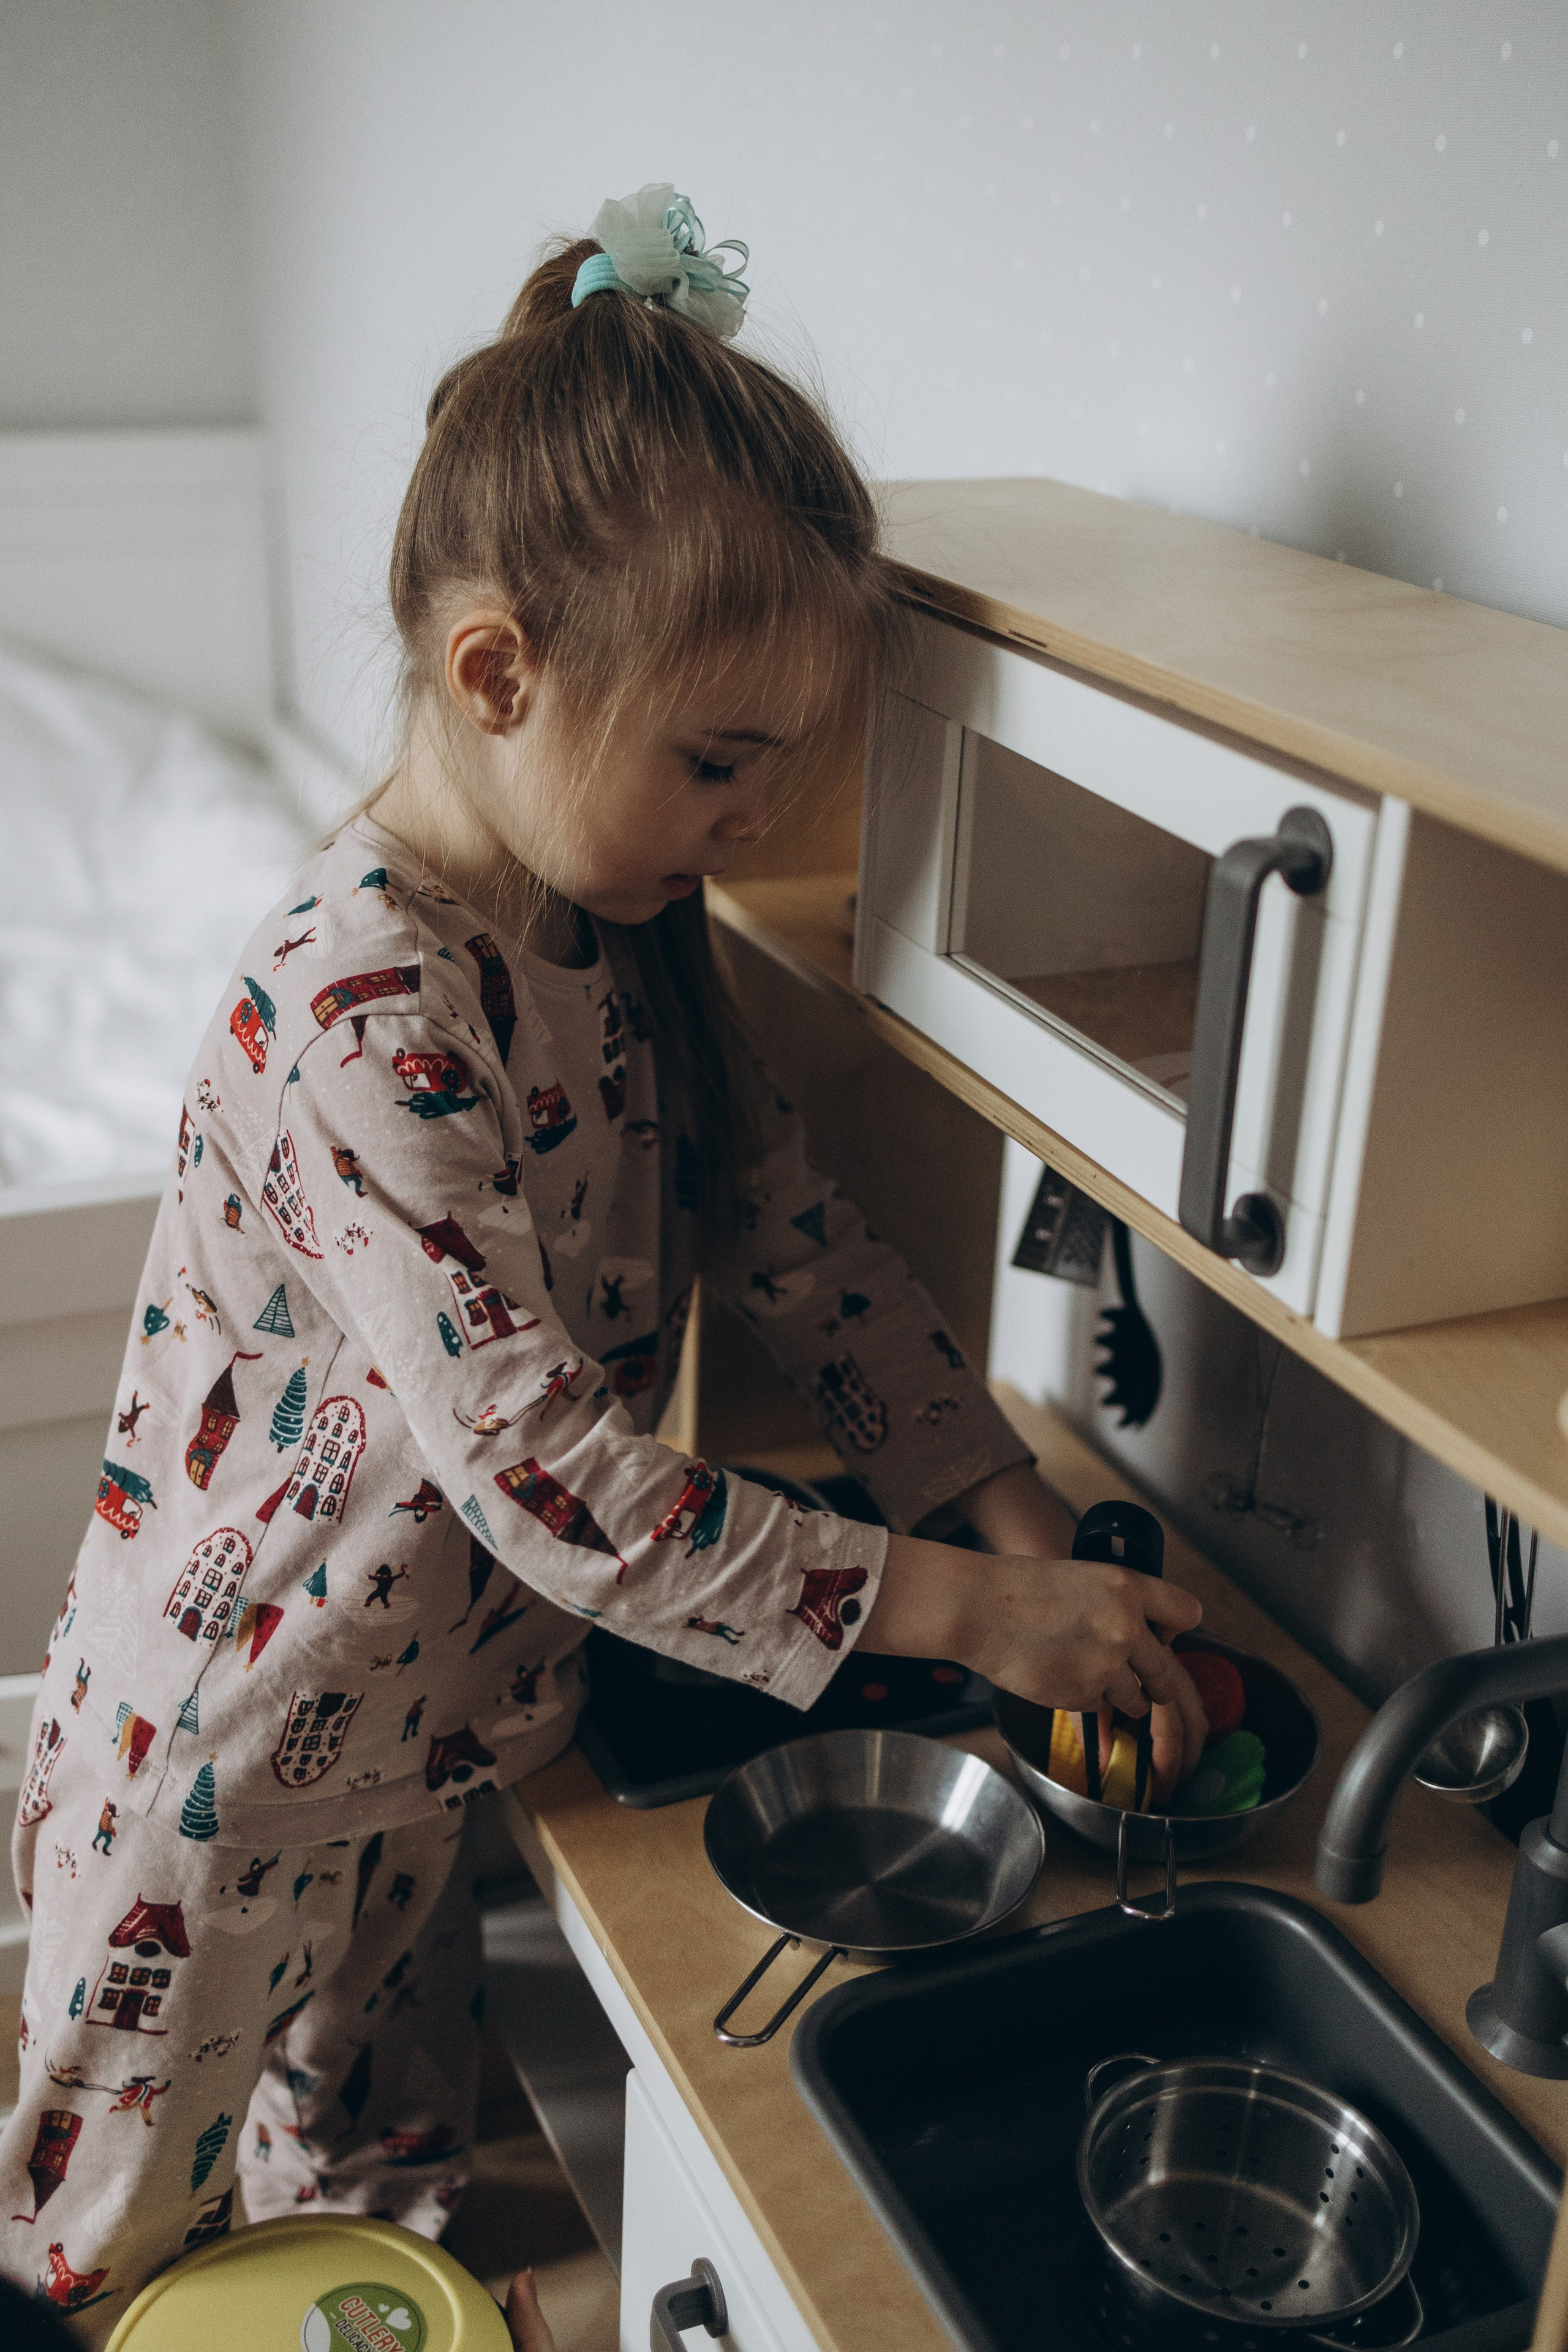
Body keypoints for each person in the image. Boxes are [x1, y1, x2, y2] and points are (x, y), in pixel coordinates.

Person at [0, 184, 1205, 2339]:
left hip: (428, 1737)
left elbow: (807, 1252)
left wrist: (1024, 1528)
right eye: (717, 762)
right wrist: (969, 1611)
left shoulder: (622, 934)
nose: (747, 824)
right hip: (222, 1760)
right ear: (499, 670)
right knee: (109, 2259)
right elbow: (551, 1471)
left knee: (375, 2197)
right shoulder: (361, 1005)